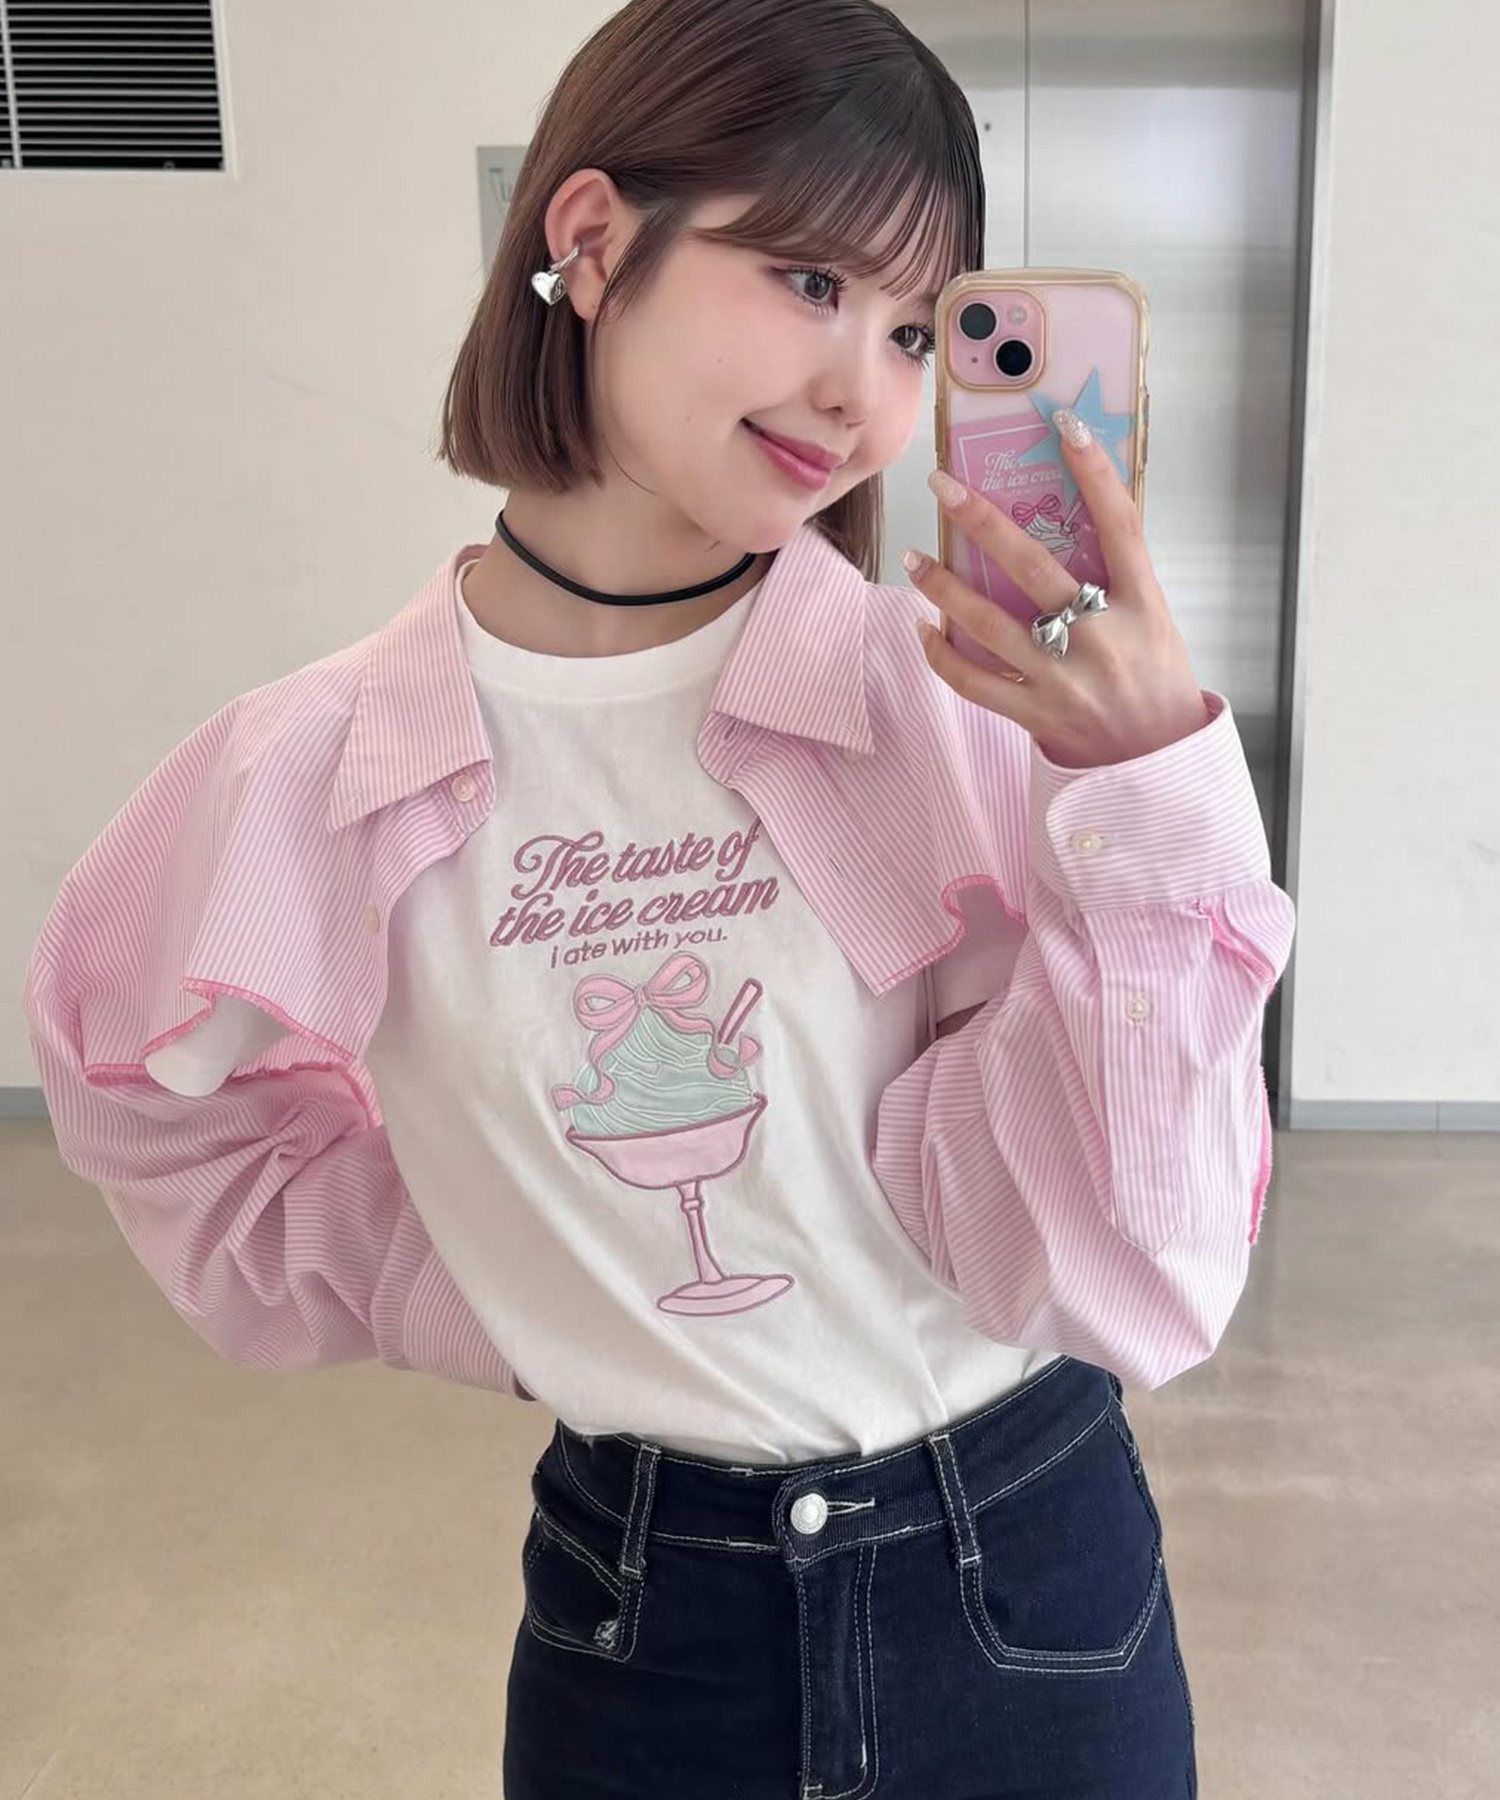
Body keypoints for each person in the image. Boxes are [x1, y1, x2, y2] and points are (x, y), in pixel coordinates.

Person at [21, 0, 1297, 1793]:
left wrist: (1146, 795)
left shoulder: (946, 707)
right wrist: (474, 1266)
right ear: (596, 240)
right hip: (642, 1617)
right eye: (809, 280)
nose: (864, 391)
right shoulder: (320, 762)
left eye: (915, 327)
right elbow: (130, 1076)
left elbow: (1142, 1267)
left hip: (1021, 1586)